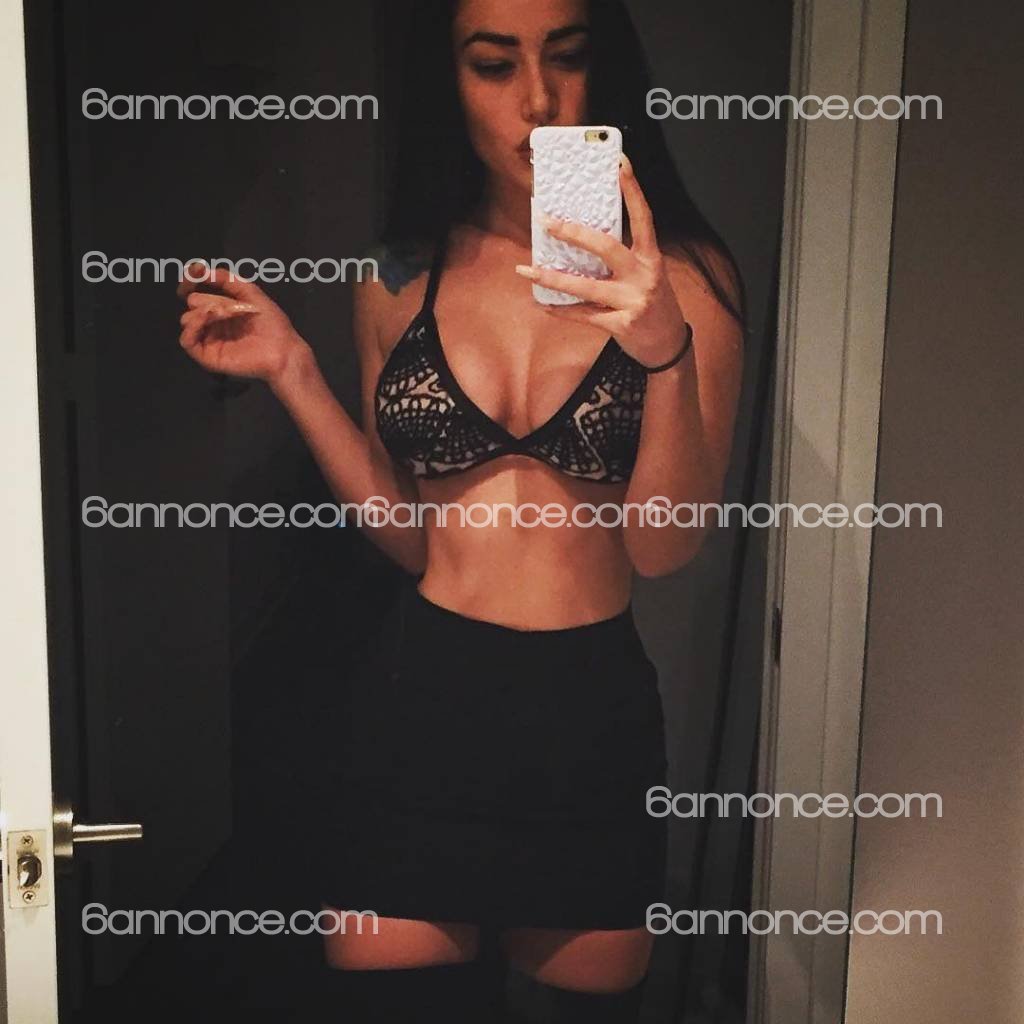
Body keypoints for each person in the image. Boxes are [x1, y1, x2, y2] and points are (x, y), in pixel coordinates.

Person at [177, 1, 744, 1019]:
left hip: (588, 721)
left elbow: (663, 549)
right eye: (493, 63)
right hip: (417, 702)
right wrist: (293, 370)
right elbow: (410, 540)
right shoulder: (397, 277)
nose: (538, 99)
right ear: (449, 82)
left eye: (567, 57)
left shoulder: (688, 283)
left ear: (605, 71)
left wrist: (664, 350)